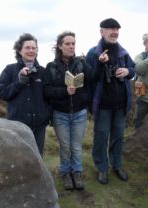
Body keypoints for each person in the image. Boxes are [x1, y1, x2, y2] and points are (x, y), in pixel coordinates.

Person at [43, 31, 97, 190]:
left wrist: (99, 63)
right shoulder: (51, 67)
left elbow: (94, 77)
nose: (71, 46)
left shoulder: (81, 63)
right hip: (60, 114)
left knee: (76, 146)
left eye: (73, 43)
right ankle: (66, 173)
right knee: (65, 147)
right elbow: (46, 90)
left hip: (79, 113)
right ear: (60, 46)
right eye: (67, 43)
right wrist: (64, 91)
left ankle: (77, 173)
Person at [86, 18, 135, 184]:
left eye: (117, 29)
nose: (114, 32)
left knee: (118, 136)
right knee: (101, 136)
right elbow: (90, 77)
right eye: (110, 29)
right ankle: (101, 168)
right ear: (101, 31)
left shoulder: (123, 52)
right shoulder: (93, 53)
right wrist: (100, 64)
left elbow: (133, 70)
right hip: (103, 105)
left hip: (120, 105)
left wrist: (127, 70)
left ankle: (117, 164)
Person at [0, 33, 51, 156]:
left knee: (37, 158)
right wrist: (19, 81)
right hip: (17, 126)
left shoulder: (42, 71)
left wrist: (46, 115)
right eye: (27, 48)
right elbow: (2, 93)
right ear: (19, 51)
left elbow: (49, 96)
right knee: (19, 159)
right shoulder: (10, 70)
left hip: (39, 126)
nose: (31, 50)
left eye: (33, 48)